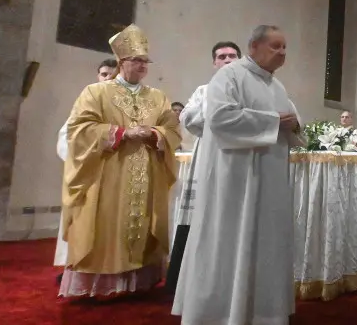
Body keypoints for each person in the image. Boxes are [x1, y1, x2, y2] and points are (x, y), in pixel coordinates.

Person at [172, 25, 305, 325]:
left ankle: (262, 316)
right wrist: (274, 121)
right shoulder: (229, 76)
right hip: (234, 180)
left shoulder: (277, 85)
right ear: (254, 46)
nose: (282, 53)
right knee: (229, 242)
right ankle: (220, 321)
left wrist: (293, 124)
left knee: (263, 244)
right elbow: (220, 118)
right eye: (275, 46)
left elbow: (292, 124)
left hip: (269, 181)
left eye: (285, 47)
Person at [59, 25, 181, 298]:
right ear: (121, 62)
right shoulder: (96, 92)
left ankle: (137, 282)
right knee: (106, 224)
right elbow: (79, 129)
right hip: (108, 173)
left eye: (145, 61)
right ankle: (103, 286)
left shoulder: (158, 97)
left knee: (142, 223)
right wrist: (121, 133)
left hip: (146, 173)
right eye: (136, 60)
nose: (142, 66)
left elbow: (172, 129)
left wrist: (155, 134)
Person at [165, 40, 240, 294]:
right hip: (208, 153)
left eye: (232, 56)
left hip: (238, 159)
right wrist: (219, 114)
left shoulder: (249, 90)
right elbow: (188, 118)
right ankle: (187, 283)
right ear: (214, 63)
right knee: (199, 214)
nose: (227, 60)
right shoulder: (203, 91)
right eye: (222, 56)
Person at [52, 58, 119, 279]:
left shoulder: (125, 105)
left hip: (113, 174)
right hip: (85, 173)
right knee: (80, 221)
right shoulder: (86, 101)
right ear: (97, 76)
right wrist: (84, 156)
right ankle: (74, 269)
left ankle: (106, 271)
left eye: (112, 75)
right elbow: (67, 136)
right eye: (104, 74)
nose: (107, 78)